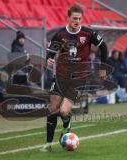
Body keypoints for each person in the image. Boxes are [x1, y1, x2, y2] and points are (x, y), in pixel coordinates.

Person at [40, 4, 108, 152]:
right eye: (74, 18)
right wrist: (49, 60)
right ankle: (48, 144)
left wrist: (103, 67)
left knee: (64, 111)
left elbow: (104, 47)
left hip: (79, 79)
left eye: (79, 18)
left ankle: (67, 127)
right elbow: (50, 53)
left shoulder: (88, 33)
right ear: (68, 18)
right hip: (60, 77)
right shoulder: (59, 35)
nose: (77, 21)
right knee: (52, 109)